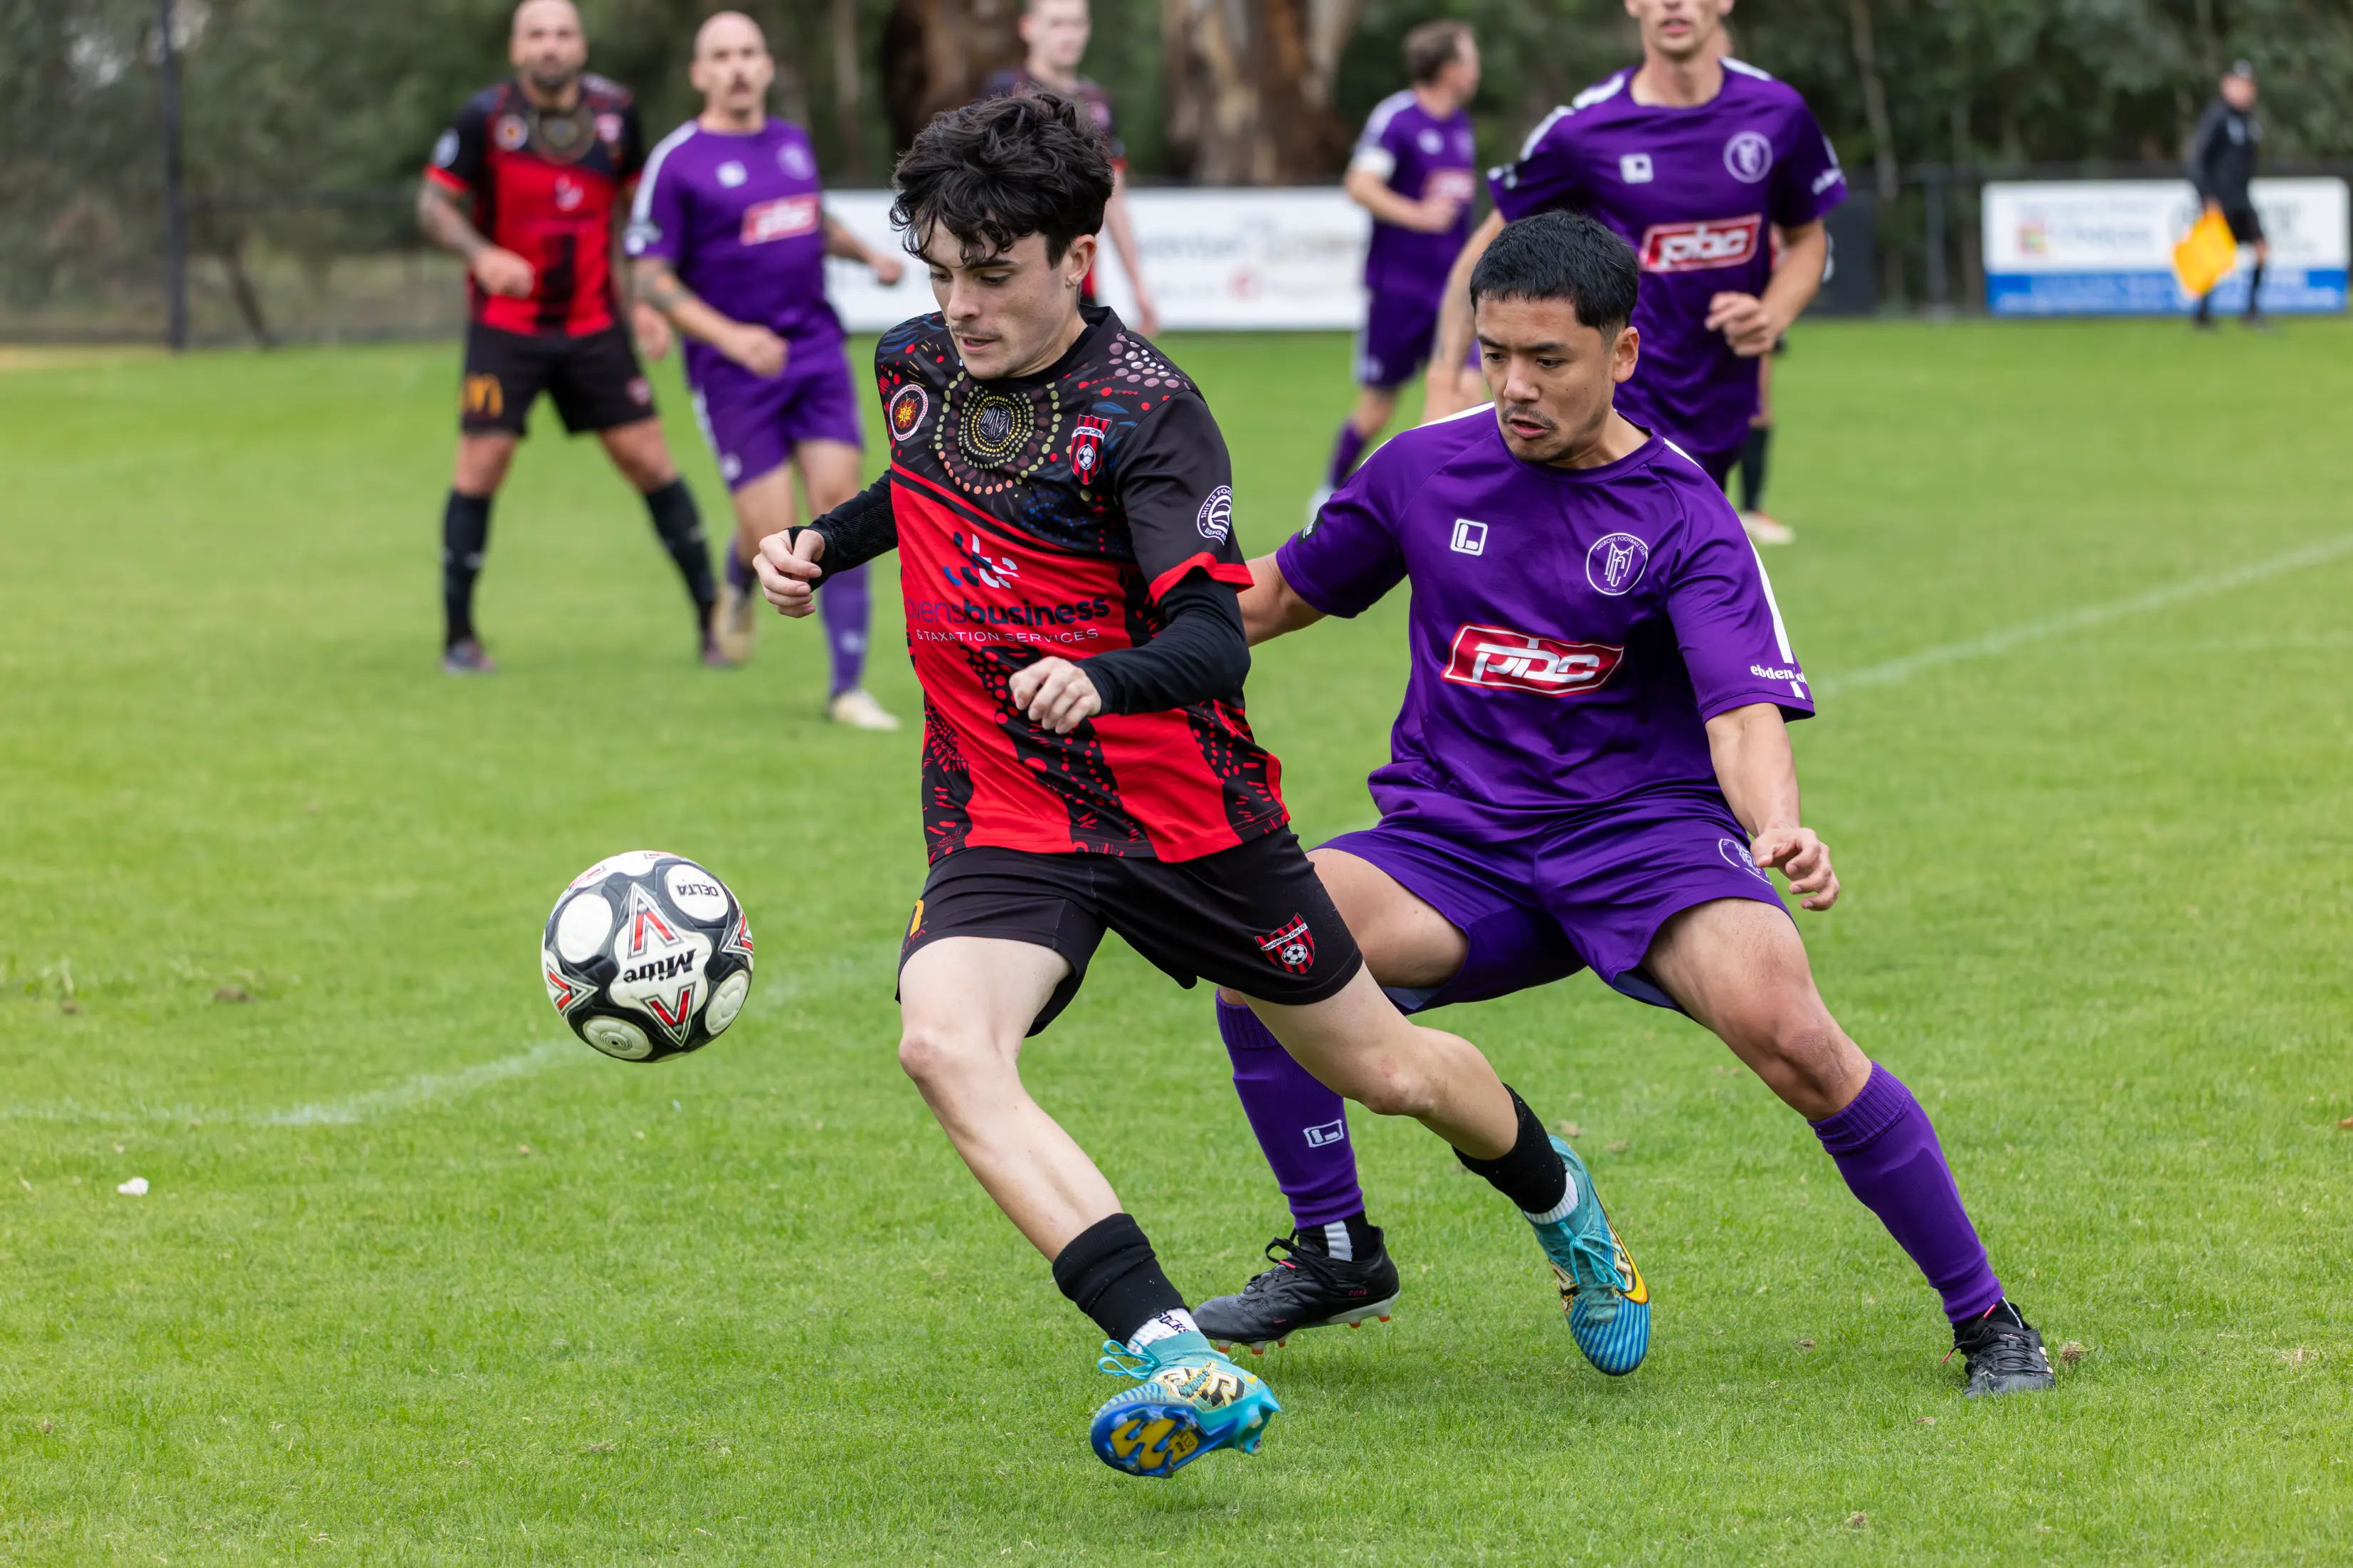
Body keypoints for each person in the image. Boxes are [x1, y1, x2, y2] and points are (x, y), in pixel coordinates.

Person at [754, 96, 1639, 1478]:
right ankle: (1170, 1346)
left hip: (1186, 814)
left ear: (1078, 257)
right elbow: (921, 483)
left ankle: (1562, 1199)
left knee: (1389, 1066)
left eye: (993, 275)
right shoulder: (918, 361)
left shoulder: (1152, 415)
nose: (961, 304)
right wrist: (818, 540)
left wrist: (1102, 676)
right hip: (1007, 810)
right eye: (940, 271)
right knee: (942, 1043)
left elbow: (1217, 639)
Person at [1193, 211, 2054, 1400]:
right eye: (1495, 353)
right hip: (1455, 841)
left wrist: (1775, 824)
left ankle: (1989, 1318)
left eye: (1548, 358)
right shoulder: (1419, 466)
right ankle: (1338, 1250)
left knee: (1793, 1033)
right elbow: (1276, 597)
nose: (1514, 385)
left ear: (1622, 353)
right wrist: (1104, 629)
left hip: (1643, 839)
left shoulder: (1682, 511)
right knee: (1252, 940)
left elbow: (1740, 713)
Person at [1422, 0, 1841, 549]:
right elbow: (1485, 247)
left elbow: (1808, 240)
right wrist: (1445, 374)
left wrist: (1772, 313)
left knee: (1658, 614)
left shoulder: (1777, 113)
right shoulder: (1584, 129)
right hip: (1610, 411)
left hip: (1718, 415)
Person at [418, 0, 719, 675]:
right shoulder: (485, 117)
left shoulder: (617, 113)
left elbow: (641, 217)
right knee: (480, 468)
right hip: (506, 330)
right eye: (536, 35)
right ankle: (459, 638)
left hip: (593, 327)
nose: (550, 46)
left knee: (649, 461)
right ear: (516, 47)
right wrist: (480, 255)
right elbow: (432, 205)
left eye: (561, 33)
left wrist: (645, 301)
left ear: (580, 45)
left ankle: (712, 624)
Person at [626, 11, 904, 729]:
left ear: (767, 65)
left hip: (814, 349)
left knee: (839, 503)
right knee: (773, 531)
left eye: (749, 52)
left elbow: (811, 221)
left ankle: (847, 686)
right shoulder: (678, 161)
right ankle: (736, 580)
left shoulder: (790, 143)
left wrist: (865, 254)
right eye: (721, 55)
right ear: (700, 72)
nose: (738, 66)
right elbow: (650, 278)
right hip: (731, 370)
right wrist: (733, 338)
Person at [1316, 20, 1483, 517]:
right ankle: (1326, 494)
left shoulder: (1459, 124)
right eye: (1471, 58)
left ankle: (1450, 504)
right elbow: (1358, 184)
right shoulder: (1397, 119)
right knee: (1376, 408)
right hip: (1397, 289)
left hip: (1452, 292)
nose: (1477, 69)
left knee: (1468, 389)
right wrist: (1417, 216)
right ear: (1451, 70)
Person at [978, 0, 1160, 336]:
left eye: (1077, 24)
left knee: (1084, 383)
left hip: (1077, 277)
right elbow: (981, 187)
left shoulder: (1099, 105)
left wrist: (1138, 286)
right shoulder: (1005, 92)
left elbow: (1113, 197)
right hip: (1015, 273)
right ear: (1029, 28)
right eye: (1057, 23)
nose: (1069, 35)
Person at [2189, 60, 2267, 332]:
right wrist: (2207, 197)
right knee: (2214, 257)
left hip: (2242, 199)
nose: (2243, 91)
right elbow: (2198, 161)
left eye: (2248, 86)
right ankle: (2202, 315)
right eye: (2238, 84)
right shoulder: (2217, 117)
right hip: (2218, 200)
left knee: (2261, 250)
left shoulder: (2249, 120)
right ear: (2226, 85)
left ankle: (2251, 311)